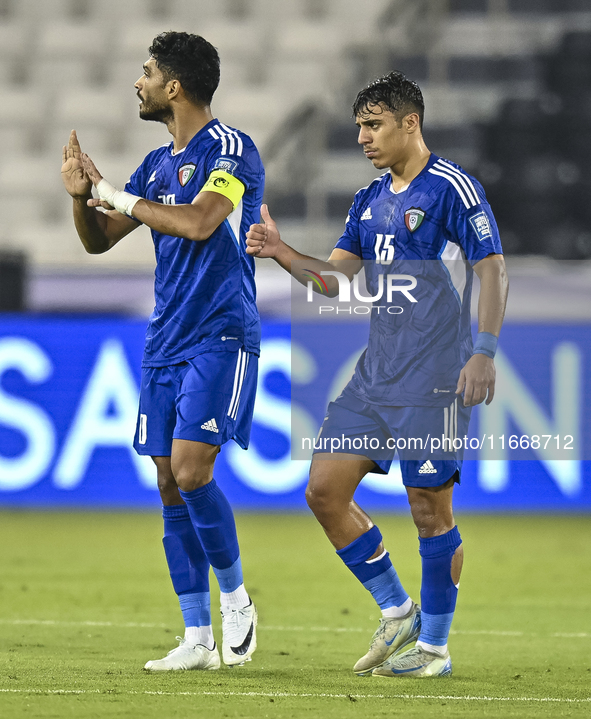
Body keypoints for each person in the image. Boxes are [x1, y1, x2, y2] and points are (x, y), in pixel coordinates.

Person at [246, 71, 508, 678]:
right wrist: (283, 251)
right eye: (359, 125)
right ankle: (397, 610)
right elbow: (336, 281)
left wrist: (485, 350)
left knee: (428, 509)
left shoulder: (450, 189)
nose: (362, 136)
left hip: (438, 372)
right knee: (324, 490)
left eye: (373, 124)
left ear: (409, 122)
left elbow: (490, 267)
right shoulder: (367, 199)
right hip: (376, 374)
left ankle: (435, 650)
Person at [61, 31, 264, 672]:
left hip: (219, 334)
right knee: (169, 486)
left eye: (147, 72)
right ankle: (197, 636)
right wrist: (79, 196)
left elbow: (202, 222)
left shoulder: (231, 151)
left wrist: (116, 196)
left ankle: (236, 602)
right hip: (164, 342)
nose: (138, 81)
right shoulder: (153, 166)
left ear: (173, 86)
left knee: (193, 470)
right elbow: (100, 241)